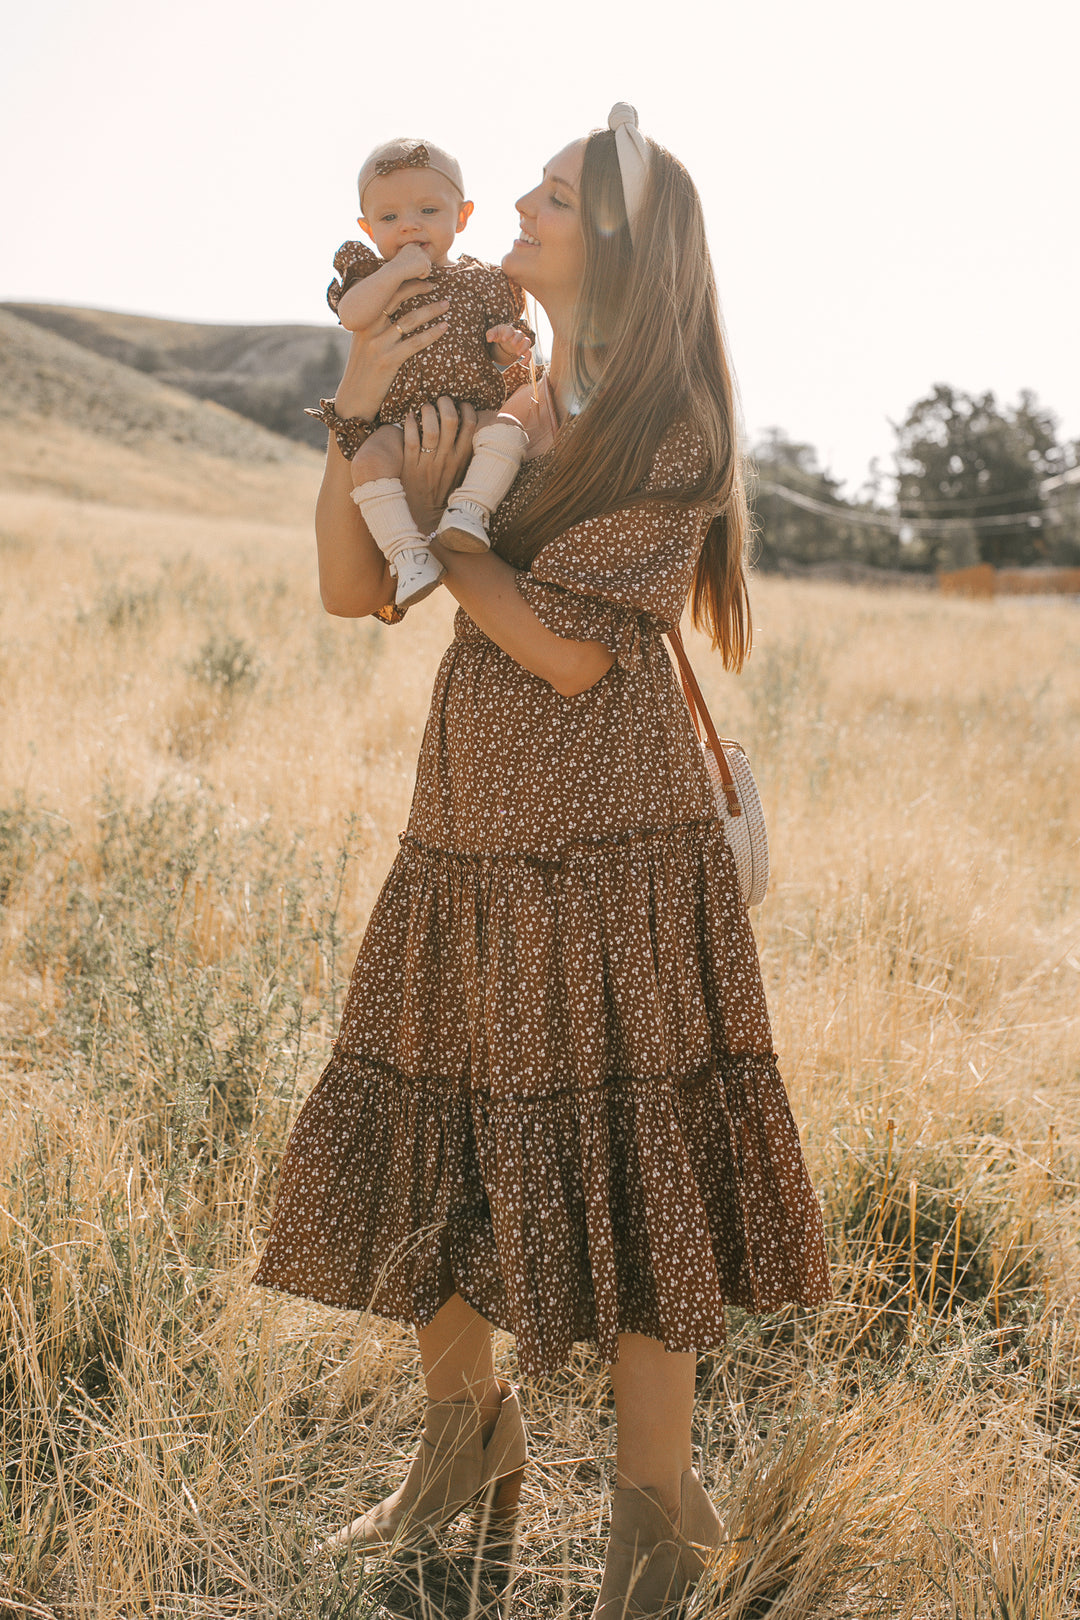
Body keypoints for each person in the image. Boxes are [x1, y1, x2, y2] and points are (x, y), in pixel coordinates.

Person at [254, 103, 831, 1617]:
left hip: (617, 853)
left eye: (557, 195)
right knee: (427, 1140)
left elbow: (569, 655)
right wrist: (362, 400)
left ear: (624, 245)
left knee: (644, 1176)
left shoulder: (671, 426)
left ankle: (658, 1515)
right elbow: (339, 587)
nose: (515, 201)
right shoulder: (500, 382)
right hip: (464, 838)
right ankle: (469, 1440)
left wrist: (441, 535)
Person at [308, 135, 536, 608]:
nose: (409, 227)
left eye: (427, 212)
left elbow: (495, 353)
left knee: (508, 432)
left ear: (463, 215)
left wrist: (506, 349)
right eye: (389, 218)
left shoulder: (486, 280)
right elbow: (352, 315)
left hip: (475, 412)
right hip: (398, 422)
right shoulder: (371, 274)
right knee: (368, 463)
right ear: (368, 228)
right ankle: (408, 554)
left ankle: (470, 509)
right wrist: (397, 271)